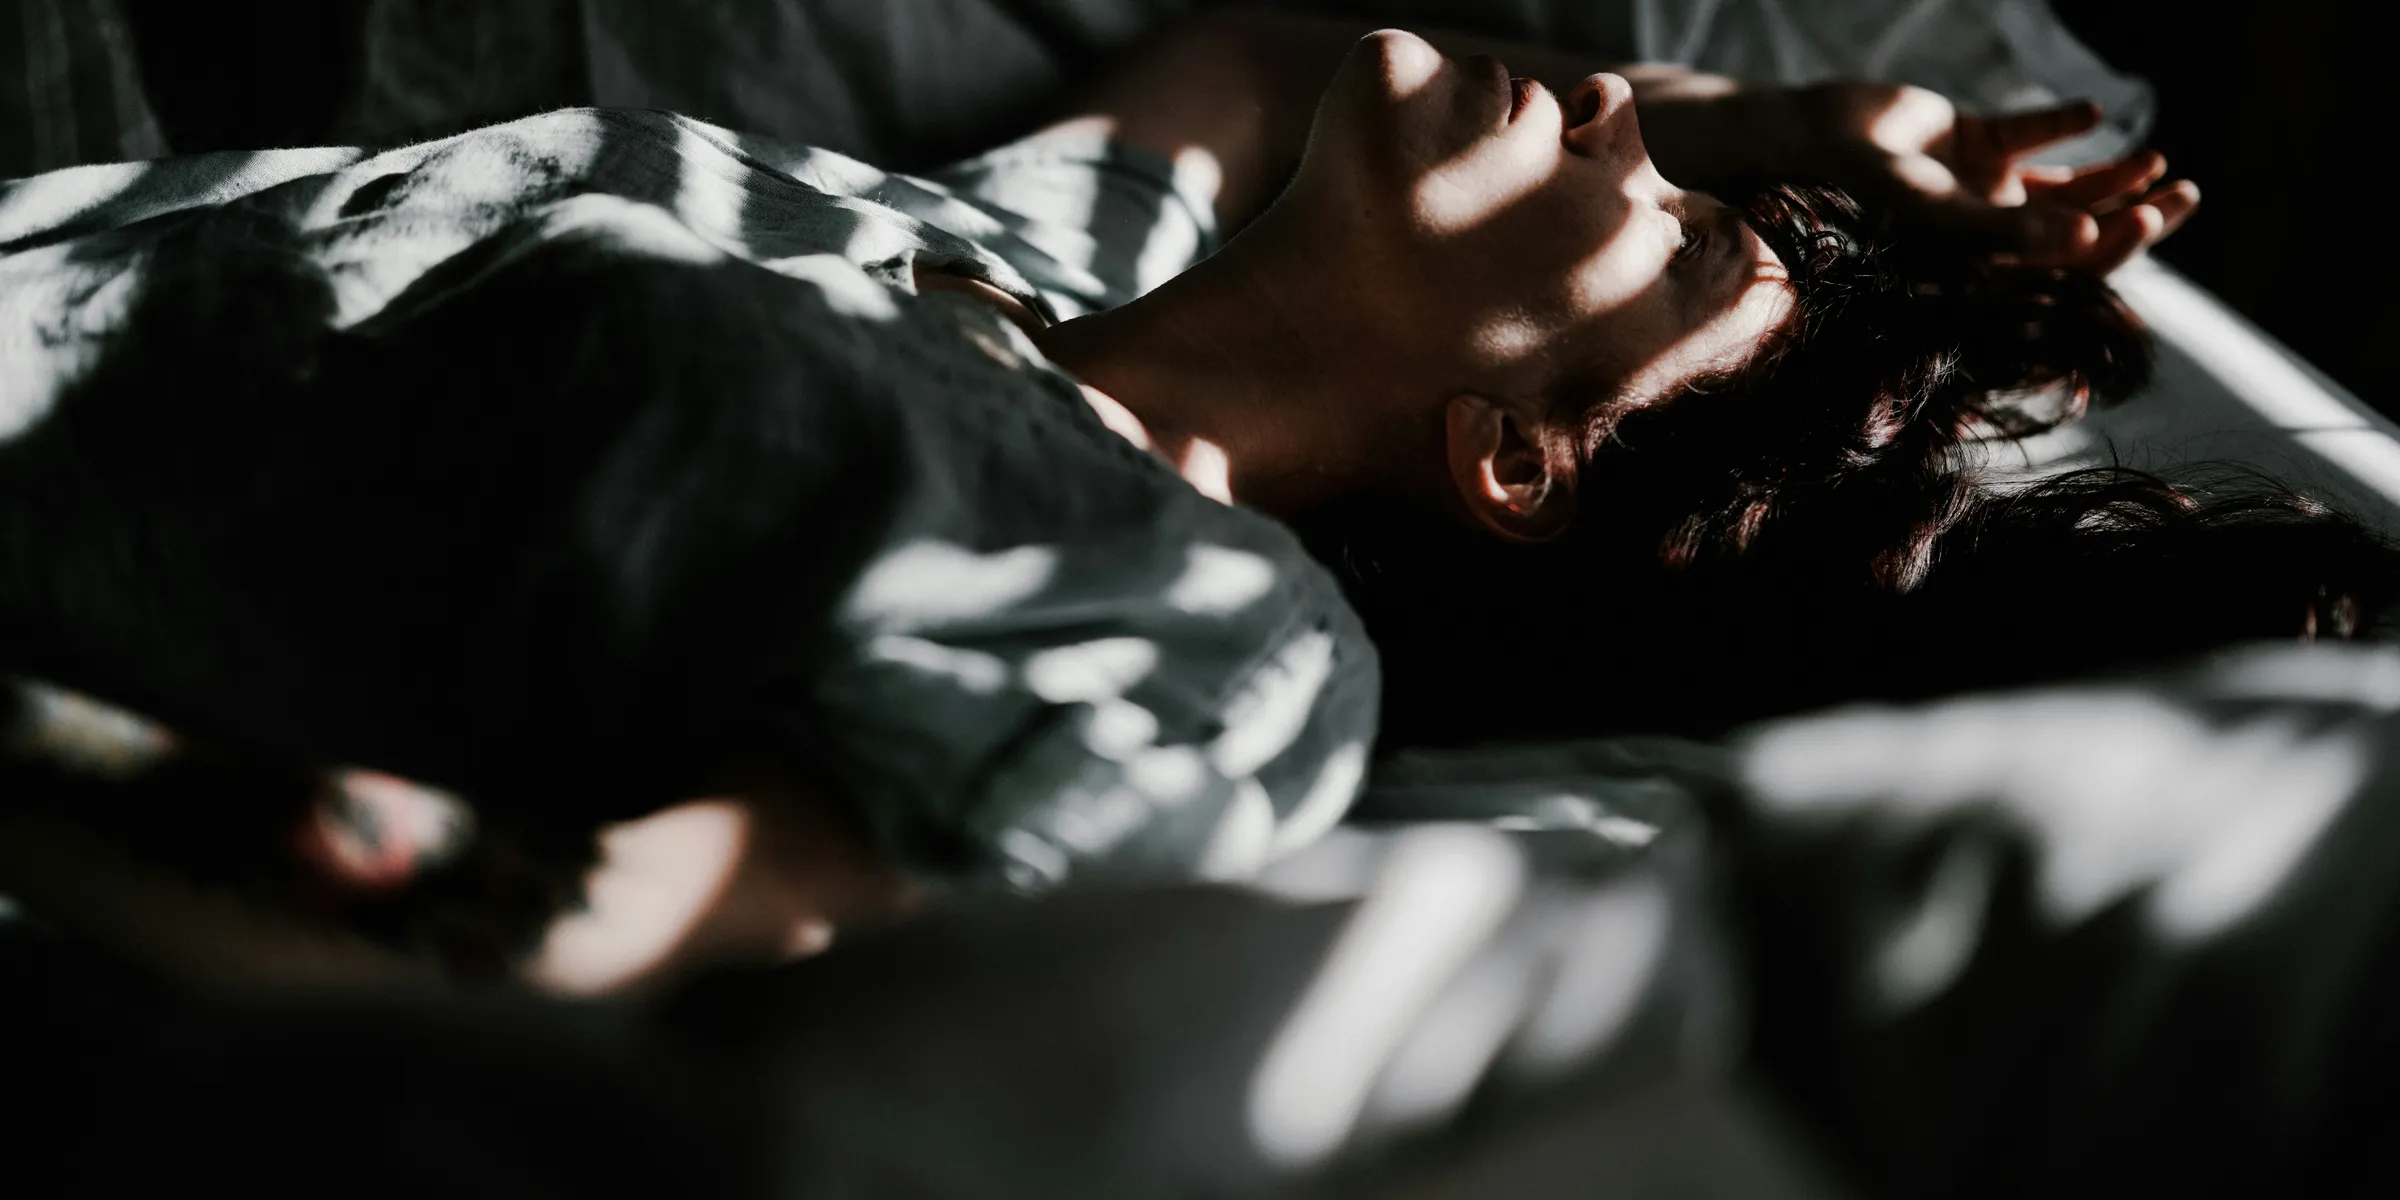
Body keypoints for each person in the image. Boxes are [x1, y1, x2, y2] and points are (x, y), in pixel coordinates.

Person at [0, 7, 2370, 993]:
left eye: (1669, 229)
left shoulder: (1209, 637)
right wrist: (1785, 138)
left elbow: (612, 925)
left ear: (1521, 452)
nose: (1627, 119)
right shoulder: (1050, 248)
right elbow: (1269, 56)